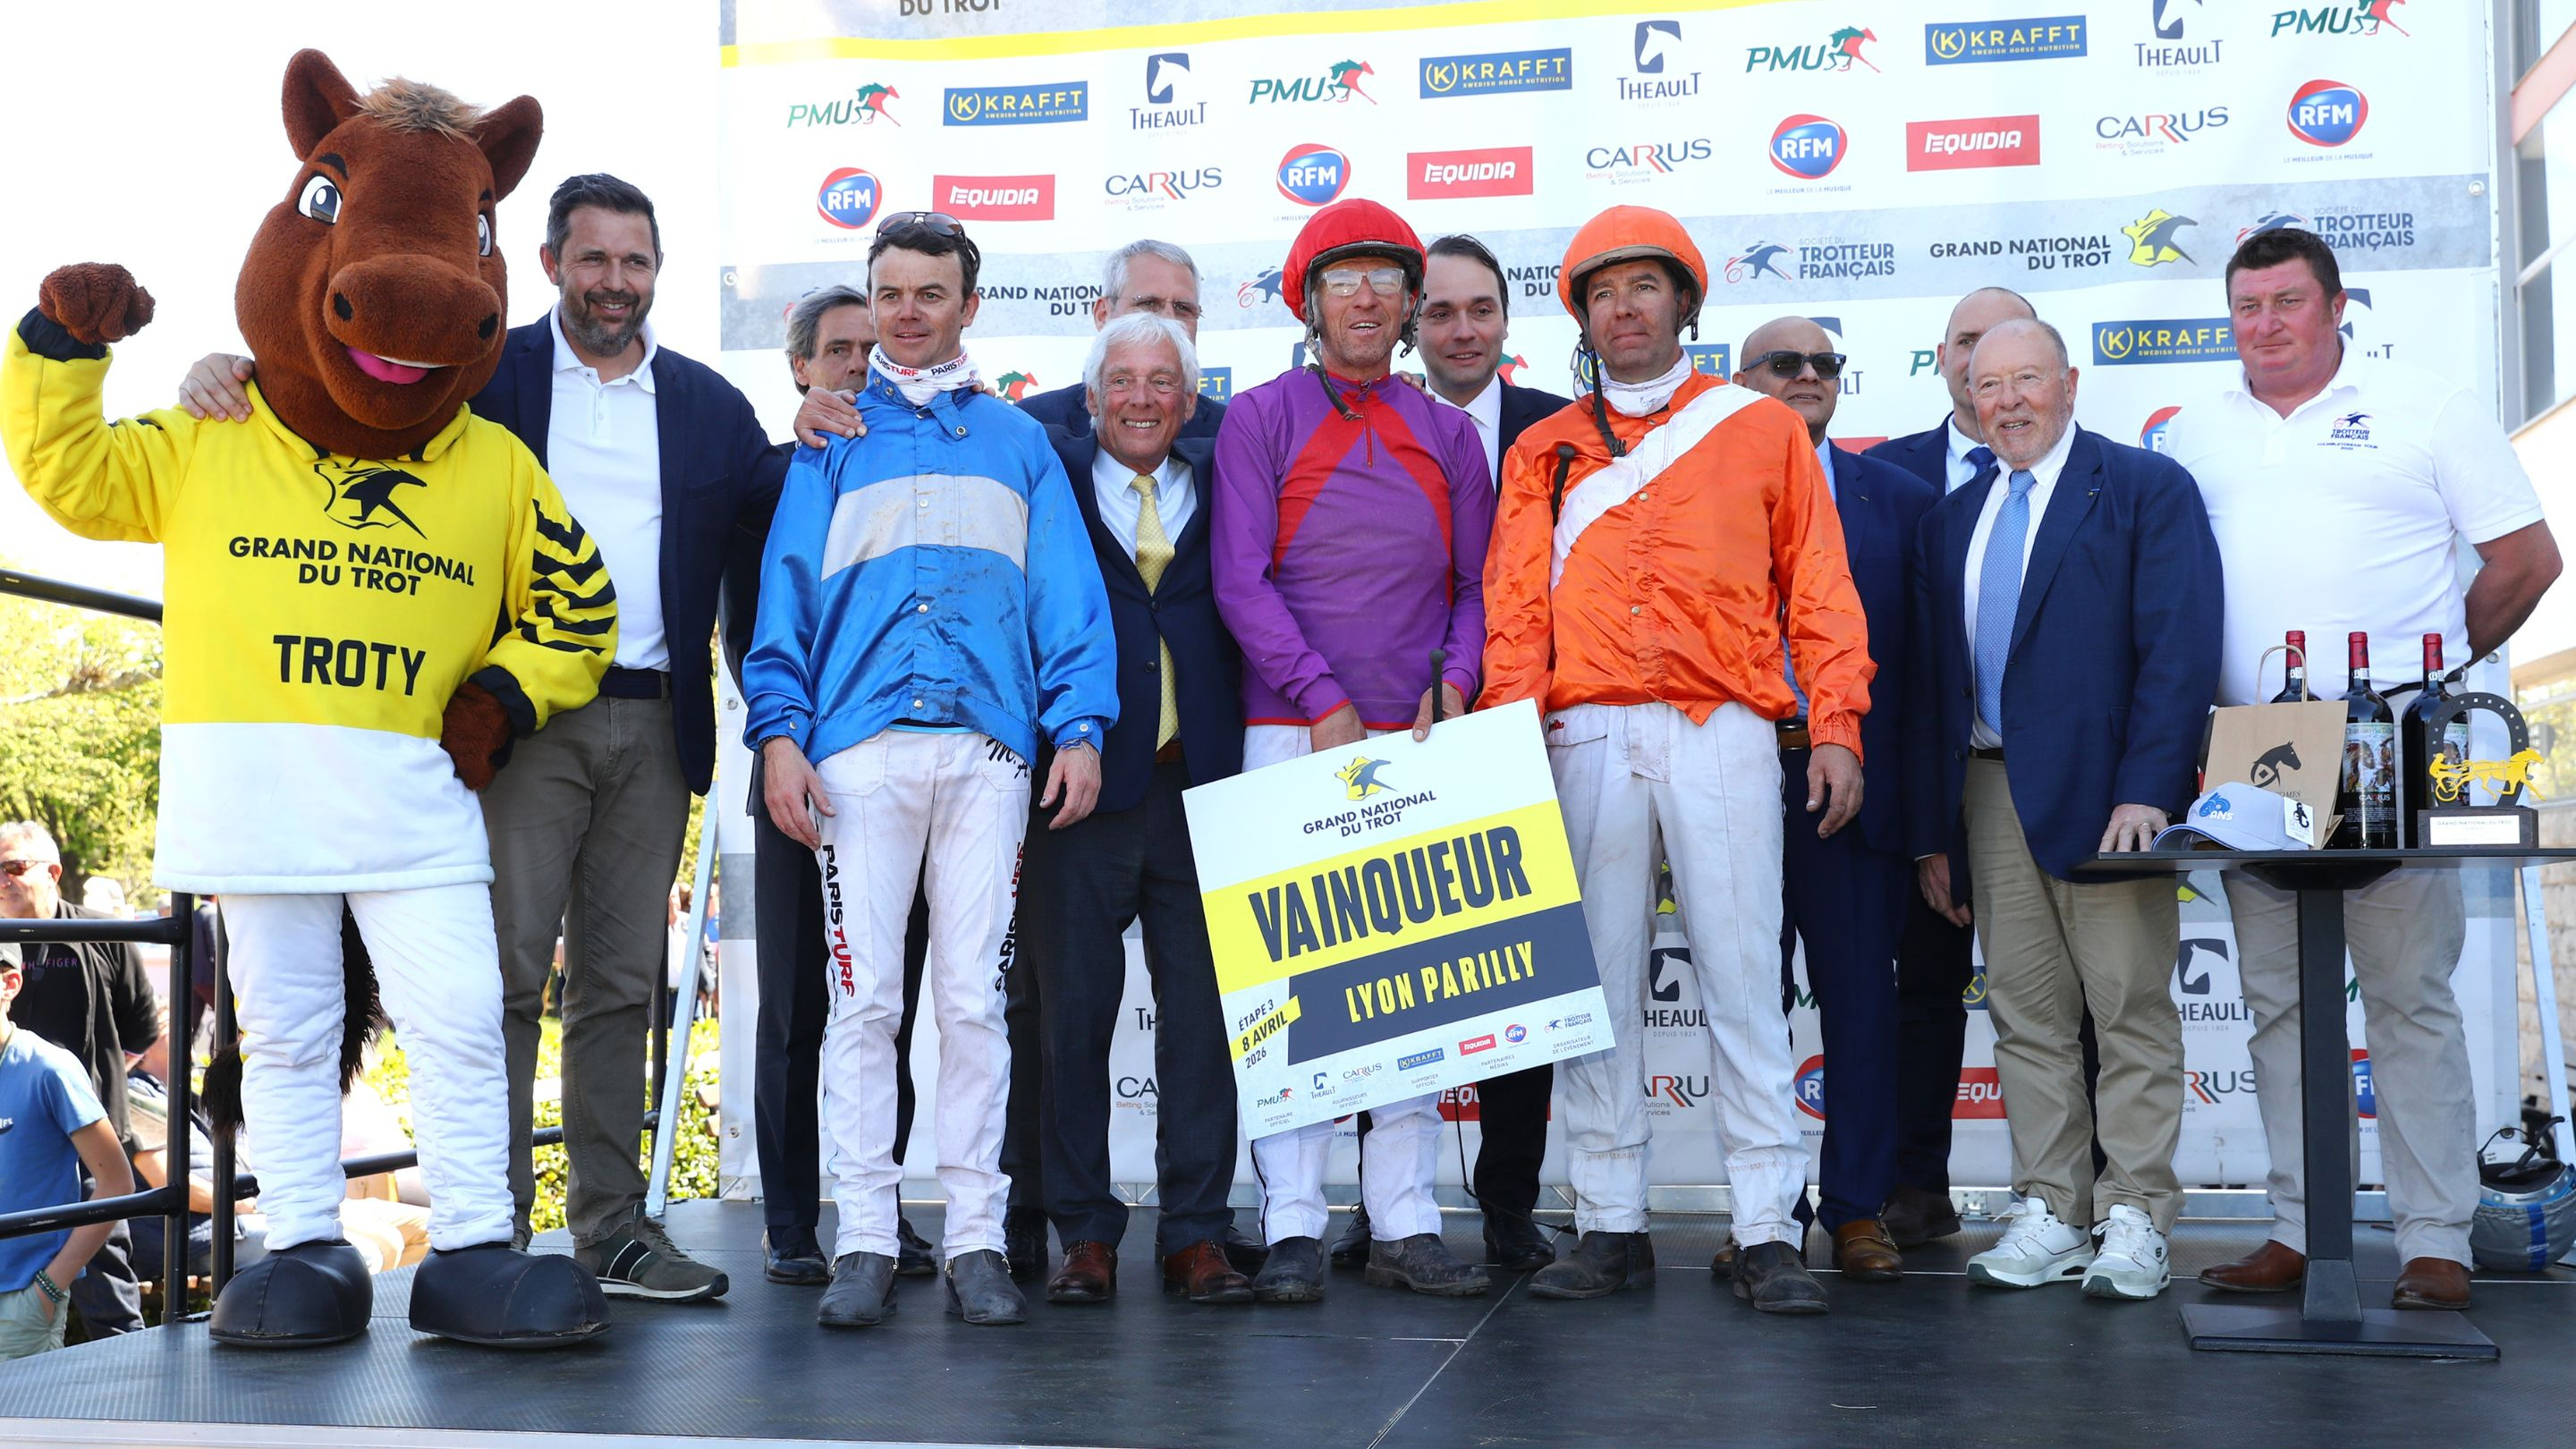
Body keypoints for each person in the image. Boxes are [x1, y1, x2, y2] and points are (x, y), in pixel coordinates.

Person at [175, 173, 790, 1301]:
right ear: (548, 264)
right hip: (515, 720)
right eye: (593, 258)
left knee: (620, 986)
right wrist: (228, 372)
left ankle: (612, 1233)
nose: (615, 282)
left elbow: (779, 503)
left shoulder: (709, 405)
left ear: (657, 272)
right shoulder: (480, 369)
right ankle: (486, 1237)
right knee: (497, 980)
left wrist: (835, 420)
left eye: (635, 261)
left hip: (658, 725)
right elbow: (337, 394)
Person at [1480, 206, 1868, 1316]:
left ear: (1685, 303)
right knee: (1595, 986)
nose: (1624, 309)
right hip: (1586, 732)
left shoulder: (1761, 428)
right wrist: (1510, 741)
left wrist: (1836, 725)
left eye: (1644, 287)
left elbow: (1820, 588)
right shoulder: (1543, 450)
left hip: (1723, 725)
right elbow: (1515, 612)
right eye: (1603, 293)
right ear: (1582, 317)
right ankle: (1610, 1222)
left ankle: (1766, 1228)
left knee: (1743, 976)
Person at [2168, 228, 2561, 1312]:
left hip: (2389, 734)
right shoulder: (2196, 431)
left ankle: (2436, 1240)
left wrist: (2429, 669)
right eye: (2247, 306)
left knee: (2408, 997)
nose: (2266, 324)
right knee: (2279, 1004)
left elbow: (2528, 561)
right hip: (2254, 745)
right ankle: (2302, 1229)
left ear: (2338, 305)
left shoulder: (2426, 406)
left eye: (2288, 301)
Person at [744, 212, 1116, 1331]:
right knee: (863, 1002)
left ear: (969, 304)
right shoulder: (829, 441)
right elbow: (783, 599)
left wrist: (1081, 726)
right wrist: (779, 733)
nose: (908, 313)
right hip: (857, 755)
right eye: (890, 293)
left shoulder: (1019, 442)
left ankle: (975, 1241)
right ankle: (864, 1237)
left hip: (990, 753)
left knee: (974, 1005)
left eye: (930, 292)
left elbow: (1065, 596)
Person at [1213, 198, 1496, 1303]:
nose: (1367, 299)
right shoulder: (1260, 419)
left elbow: (1477, 586)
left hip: (1417, 736)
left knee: (1416, 995)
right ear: (1310, 301)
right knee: (1290, 994)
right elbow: (1240, 580)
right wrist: (1320, 696)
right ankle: (1291, 1221)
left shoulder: (1451, 432)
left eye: (1385, 279)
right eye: (1344, 281)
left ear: (1411, 301)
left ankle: (1406, 1220)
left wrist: (1456, 681)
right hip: (1291, 729)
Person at [1903, 318, 2220, 1301]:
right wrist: (1936, 829)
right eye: (1987, 385)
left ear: (2070, 383)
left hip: (2108, 793)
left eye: (2026, 380)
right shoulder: (1952, 518)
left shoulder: (2143, 488)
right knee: (2026, 1013)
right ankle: (2052, 1208)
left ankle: (2136, 1213)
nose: (2007, 402)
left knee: (2127, 1007)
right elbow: (1936, 687)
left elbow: (2179, 648)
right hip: (1989, 790)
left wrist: (2148, 789)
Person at [1329, 231, 1571, 1275]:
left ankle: (1510, 1202)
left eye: (1482, 310)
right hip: (1400, 732)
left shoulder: (1563, 432)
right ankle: (1382, 1204)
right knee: (1374, 974)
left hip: (1531, 732)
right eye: (1441, 311)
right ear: (1410, 322)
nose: (1462, 330)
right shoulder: (1370, 422)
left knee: (1517, 982)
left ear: (1509, 321)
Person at [1027, 311, 1251, 1307]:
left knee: (1203, 1022)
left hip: (1203, 782)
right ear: (1090, 398)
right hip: (1079, 788)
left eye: (1163, 381)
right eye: (1121, 380)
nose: (1142, 398)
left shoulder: (1233, 475)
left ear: (1191, 401)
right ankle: (1084, 1234)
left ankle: (1196, 1234)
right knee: (1071, 1019)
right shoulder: (1046, 475)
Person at [720, 284, 940, 1286]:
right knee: (797, 1013)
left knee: (880, 1009)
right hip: (798, 778)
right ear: (800, 367)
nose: (857, 364)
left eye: (869, 348)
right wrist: (789, 746)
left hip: (905, 785)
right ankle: (790, 1223)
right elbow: (747, 634)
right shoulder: (775, 478)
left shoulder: (924, 463)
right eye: (839, 349)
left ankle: (877, 1216)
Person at [1728, 317, 1937, 1283]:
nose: (1808, 375)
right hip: (1729, 775)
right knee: (1747, 1007)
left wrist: (1924, 818)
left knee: (1859, 1002)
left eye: (1825, 363)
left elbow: (1927, 673)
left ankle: (1857, 1209)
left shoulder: (1899, 500)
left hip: (1850, 786)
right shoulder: (1699, 489)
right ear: (1741, 382)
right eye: (1785, 363)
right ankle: (1762, 1213)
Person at [1862, 284, 2036, 1247]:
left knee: (2060, 997)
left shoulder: (2091, 478)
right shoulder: (1882, 476)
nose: (1982, 364)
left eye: (2003, 347)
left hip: (2039, 778)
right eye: (1967, 343)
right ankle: (1915, 1185)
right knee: (1923, 990)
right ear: (1941, 359)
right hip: (1918, 778)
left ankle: (2082, 1194)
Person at [0, 821, 155, 1336]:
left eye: (14, 867)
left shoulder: (105, 934)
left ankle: (128, 1390)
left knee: (109, 1302)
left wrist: (83, 1089)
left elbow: (142, 1028)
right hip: (15, 1145)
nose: (3, 880)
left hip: (90, 1138)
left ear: (53, 872)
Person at [1, 943, 139, 1362]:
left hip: (19, 1302)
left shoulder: (49, 1068)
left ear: (10, 983)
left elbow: (117, 1183)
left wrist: (48, 1288)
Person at [1017, 240, 1224, 440]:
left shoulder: (1227, 430)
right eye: (1148, 304)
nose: (1169, 320)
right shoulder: (1033, 423)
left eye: (1183, 308)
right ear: (1103, 314)